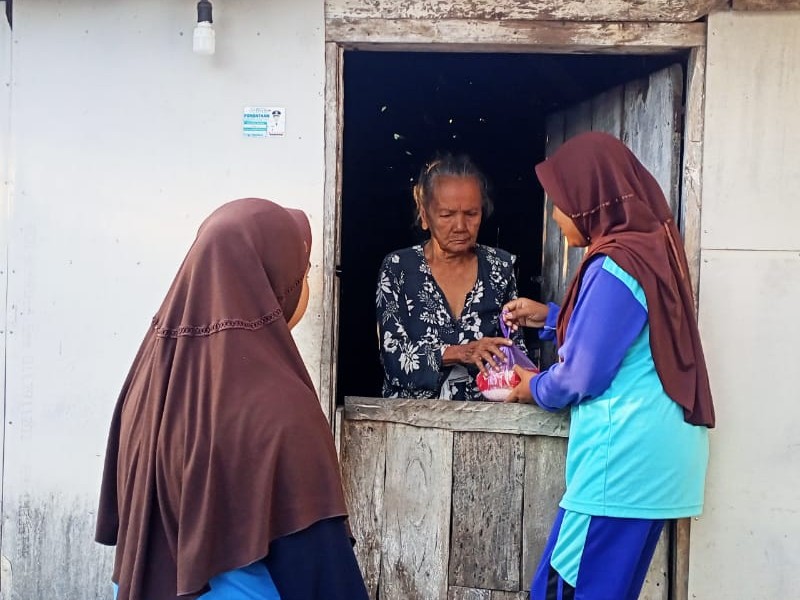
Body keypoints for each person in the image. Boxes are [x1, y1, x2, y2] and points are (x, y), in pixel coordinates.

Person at [96, 198, 369, 600]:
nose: (307, 286)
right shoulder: (280, 412)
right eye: (304, 272)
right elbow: (323, 576)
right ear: (273, 280)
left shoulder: (146, 384)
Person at [502, 132, 715, 600]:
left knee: (561, 592)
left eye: (560, 202)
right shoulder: (649, 250)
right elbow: (630, 332)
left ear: (589, 199)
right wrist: (551, 317)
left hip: (620, 465)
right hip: (659, 461)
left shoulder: (617, 263)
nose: (555, 216)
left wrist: (532, 387)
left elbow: (582, 375)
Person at [376, 153, 526, 400]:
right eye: (447, 215)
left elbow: (515, 351)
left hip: (485, 418)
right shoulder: (398, 268)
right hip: (410, 417)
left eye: (471, 214)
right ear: (425, 216)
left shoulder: (500, 267)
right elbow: (393, 359)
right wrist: (461, 353)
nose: (460, 226)